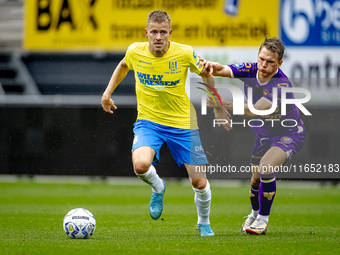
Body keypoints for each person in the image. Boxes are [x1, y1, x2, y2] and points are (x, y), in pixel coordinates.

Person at [101, 10, 230, 236]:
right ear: (146, 33)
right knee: (140, 165)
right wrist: (107, 93)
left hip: (183, 124)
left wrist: (217, 105)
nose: (158, 37)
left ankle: (203, 222)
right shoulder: (135, 51)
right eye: (154, 32)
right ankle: (158, 187)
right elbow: (123, 65)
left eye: (162, 32)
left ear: (169, 33)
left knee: (199, 182)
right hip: (149, 122)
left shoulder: (185, 53)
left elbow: (207, 72)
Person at [200, 37, 306, 235]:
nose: (263, 65)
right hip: (264, 134)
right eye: (261, 59)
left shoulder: (281, 85)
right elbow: (222, 70)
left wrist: (221, 103)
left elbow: (256, 111)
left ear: (280, 63)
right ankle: (254, 214)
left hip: (289, 132)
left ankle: (263, 220)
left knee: (266, 168)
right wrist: (212, 66)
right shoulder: (250, 69)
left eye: (270, 62)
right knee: (255, 180)